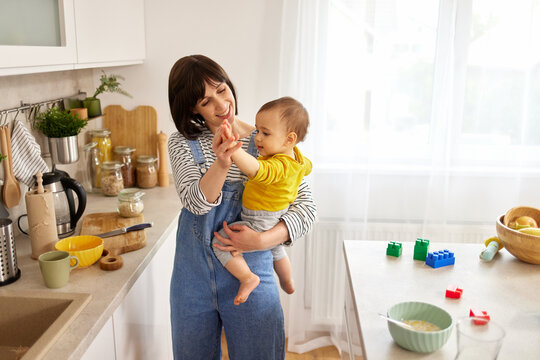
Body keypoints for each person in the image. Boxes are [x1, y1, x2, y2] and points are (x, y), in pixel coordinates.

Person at [167, 54, 317, 359]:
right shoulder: (181, 143)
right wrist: (222, 162)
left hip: (252, 272)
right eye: (206, 101)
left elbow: (306, 209)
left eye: (222, 90)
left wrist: (261, 240)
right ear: (191, 107)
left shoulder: (266, 143)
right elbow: (195, 204)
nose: (221, 105)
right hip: (191, 279)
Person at [212, 96, 312, 306]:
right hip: (276, 215)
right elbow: (308, 167)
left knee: (220, 242)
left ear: (289, 139)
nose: (257, 138)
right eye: (257, 130)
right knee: (276, 248)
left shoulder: (279, 165)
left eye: (266, 133)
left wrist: (234, 149)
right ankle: (287, 281)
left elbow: (257, 170)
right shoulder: (297, 159)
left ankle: (248, 278)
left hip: (259, 218)